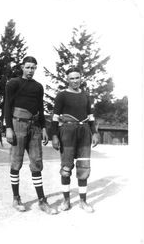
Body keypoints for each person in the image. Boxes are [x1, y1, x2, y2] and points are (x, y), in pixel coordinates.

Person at [4, 56, 57, 215]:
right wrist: (8, 127)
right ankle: (16, 198)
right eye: (27, 67)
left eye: (33, 67)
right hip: (18, 124)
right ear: (22, 67)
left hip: (34, 127)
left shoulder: (38, 86)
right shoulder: (13, 83)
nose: (30, 70)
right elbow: (7, 105)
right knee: (16, 162)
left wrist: (43, 128)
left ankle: (42, 200)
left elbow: (40, 107)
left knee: (37, 162)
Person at [51, 66, 99, 213]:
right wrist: (54, 135)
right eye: (71, 78)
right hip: (67, 131)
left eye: (77, 77)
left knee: (84, 166)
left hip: (84, 131)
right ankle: (66, 200)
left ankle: (83, 201)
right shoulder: (62, 95)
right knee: (66, 167)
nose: (75, 81)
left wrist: (94, 132)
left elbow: (90, 116)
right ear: (67, 79)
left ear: (81, 78)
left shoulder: (85, 96)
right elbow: (55, 117)